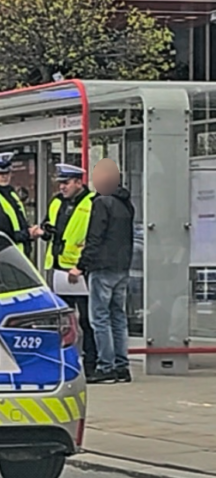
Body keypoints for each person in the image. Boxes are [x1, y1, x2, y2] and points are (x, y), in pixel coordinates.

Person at [74, 159, 135, 383]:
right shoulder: (125, 203)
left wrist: (81, 265)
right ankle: (122, 366)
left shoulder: (102, 202)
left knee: (99, 318)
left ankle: (105, 366)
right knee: (118, 317)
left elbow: (95, 237)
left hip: (102, 267)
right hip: (122, 266)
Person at [40, 163, 97, 378]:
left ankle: (92, 362)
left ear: (78, 182)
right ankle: (63, 361)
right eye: (60, 183)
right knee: (62, 321)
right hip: (59, 269)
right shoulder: (57, 202)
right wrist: (44, 231)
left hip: (81, 271)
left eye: (66, 183)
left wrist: (81, 265)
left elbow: (94, 236)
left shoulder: (92, 203)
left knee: (87, 320)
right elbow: (48, 227)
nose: (62, 187)